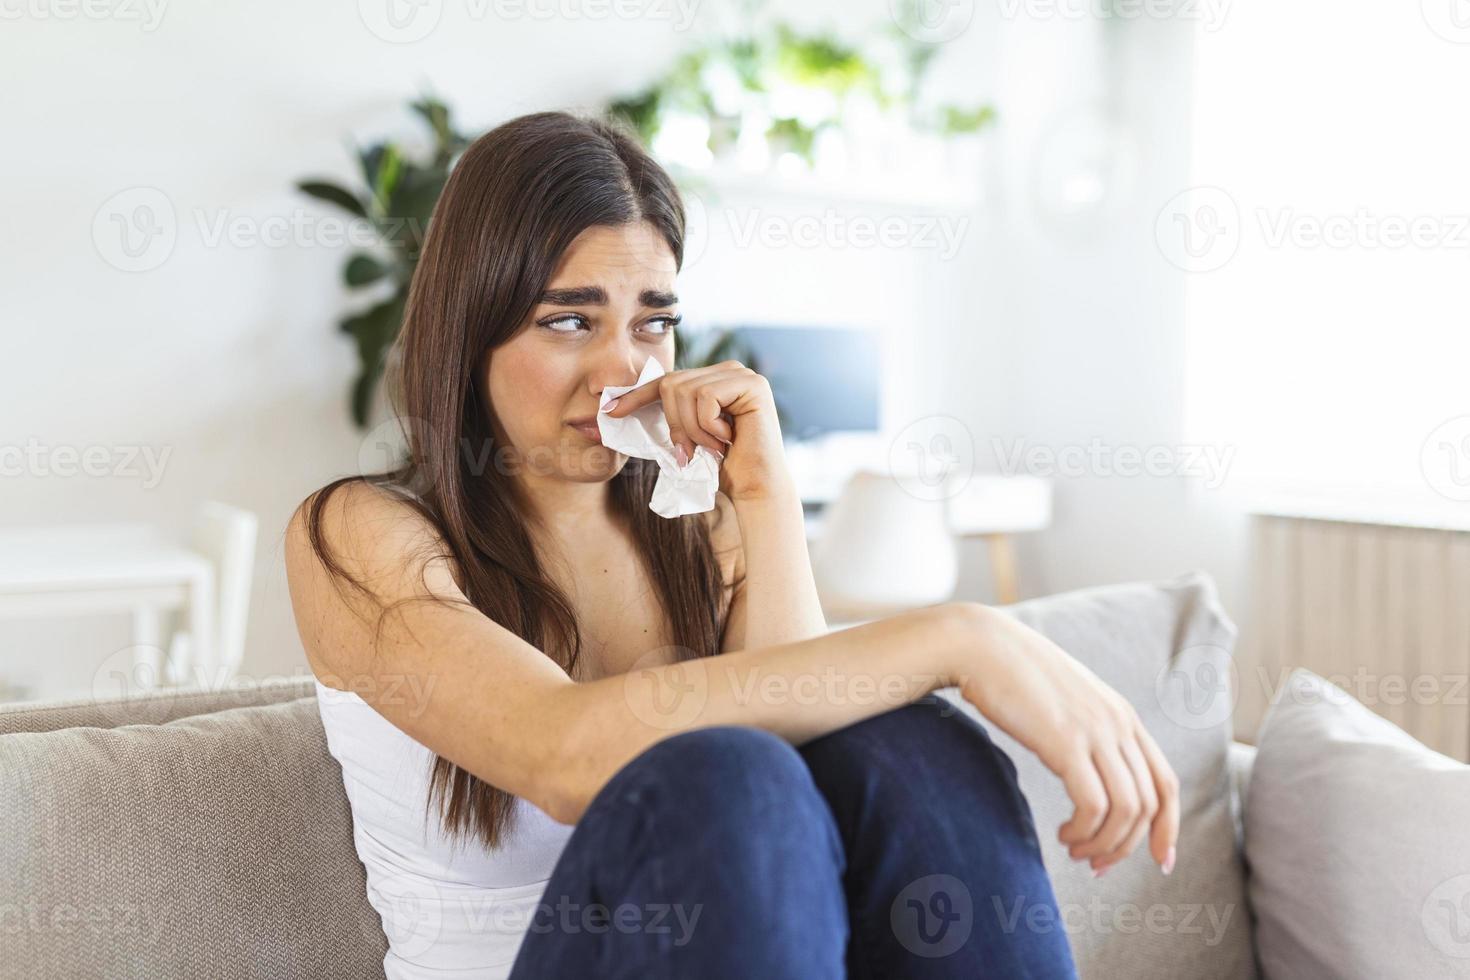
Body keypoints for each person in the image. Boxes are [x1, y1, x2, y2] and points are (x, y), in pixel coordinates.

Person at [284, 110, 1178, 979]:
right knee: (720, 770)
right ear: (471, 323)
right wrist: (967, 637)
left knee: (906, 744)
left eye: (653, 323)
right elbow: (562, 757)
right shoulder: (360, 534)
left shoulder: (697, 528)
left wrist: (763, 492)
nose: (621, 374)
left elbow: (820, 756)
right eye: (569, 320)